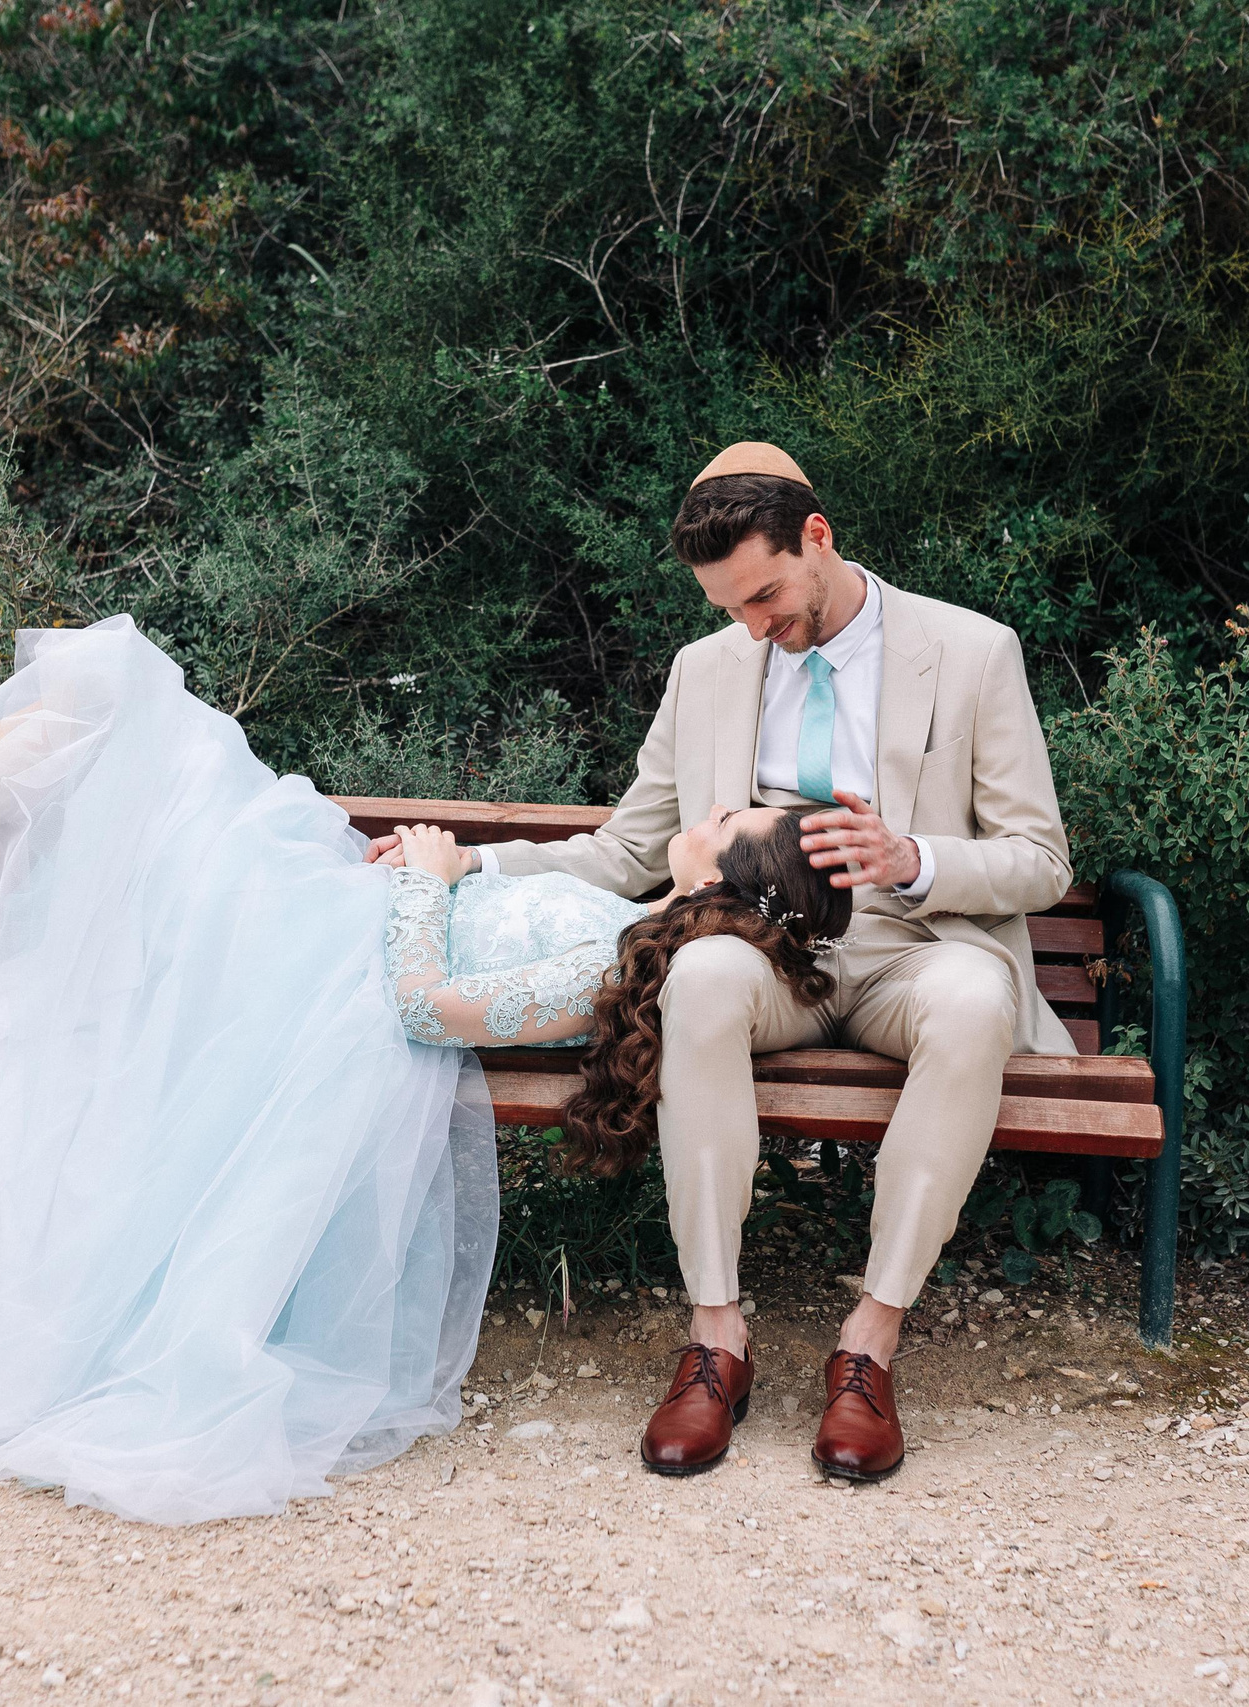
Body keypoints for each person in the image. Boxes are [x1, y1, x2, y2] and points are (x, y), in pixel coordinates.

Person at [0, 615, 846, 1524]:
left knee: (103, 729)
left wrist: (426, 887)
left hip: (300, 961)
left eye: (731, 820)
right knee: (77, 758)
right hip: (306, 921)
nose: (712, 811)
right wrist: (439, 870)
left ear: (724, 879)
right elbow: (477, 918)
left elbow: (426, 1006)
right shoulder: (627, 923)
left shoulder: (612, 965)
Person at [388, 441, 1077, 1483]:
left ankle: (869, 1344)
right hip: (765, 950)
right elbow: (627, 847)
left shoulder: (972, 652)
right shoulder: (704, 670)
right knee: (699, 975)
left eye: (764, 597)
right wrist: (465, 859)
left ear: (817, 537)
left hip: (915, 945)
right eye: (729, 608)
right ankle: (716, 1337)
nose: (753, 627)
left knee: (978, 1000)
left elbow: (1040, 860)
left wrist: (911, 857)